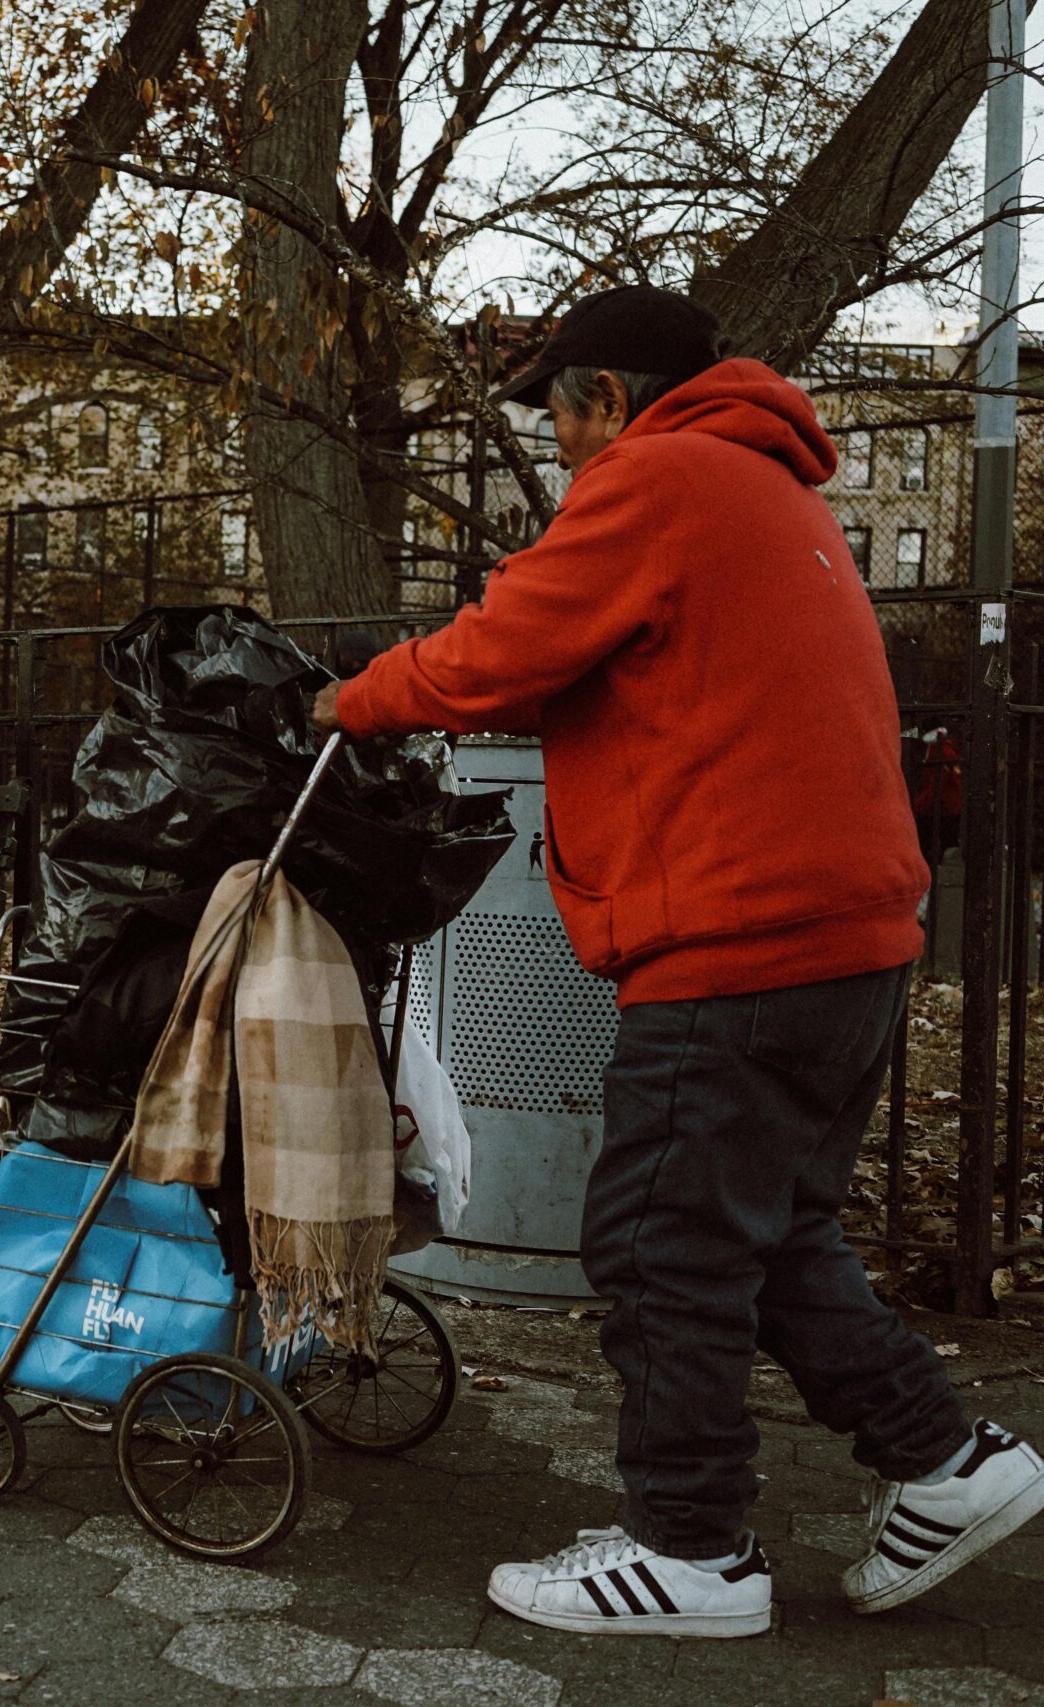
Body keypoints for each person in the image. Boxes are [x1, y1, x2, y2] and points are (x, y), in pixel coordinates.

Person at [312, 283, 1042, 1637]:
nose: (564, 451)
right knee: (758, 1234)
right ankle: (950, 1459)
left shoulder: (656, 475)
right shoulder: (769, 490)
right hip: (849, 936)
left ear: (606, 395)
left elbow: (505, 643)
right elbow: (597, 659)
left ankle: (693, 1548)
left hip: (740, 935)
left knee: (656, 1241)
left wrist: (346, 696)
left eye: (563, 416)